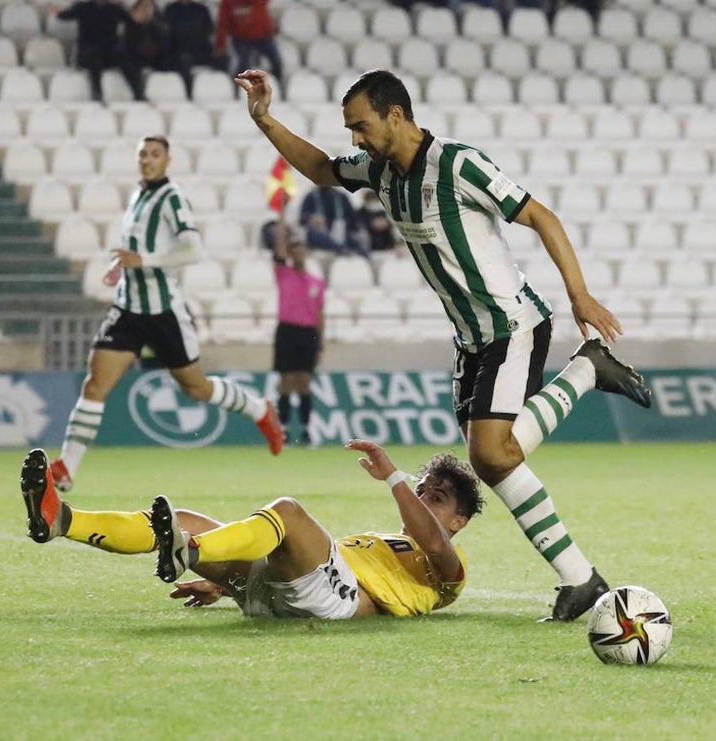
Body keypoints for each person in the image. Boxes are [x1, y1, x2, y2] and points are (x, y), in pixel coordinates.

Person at [234, 67, 653, 622]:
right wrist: (265, 119)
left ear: (396, 115)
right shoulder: (378, 171)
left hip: (513, 324)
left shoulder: (458, 164)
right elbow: (320, 168)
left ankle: (580, 576)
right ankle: (587, 375)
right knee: (496, 458)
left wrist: (579, 296)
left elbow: (541, 217)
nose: (354, 139)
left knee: (490, 455)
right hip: (470, 339)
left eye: (361, 126)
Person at [49, 135, 285, 493]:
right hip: (129, 308)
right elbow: (139, 248)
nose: (147, 160)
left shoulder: (171, 197)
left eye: (155, 154)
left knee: (196, 387)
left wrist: (144, 261)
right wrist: (121, 266)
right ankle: (66, 467)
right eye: (142, 154)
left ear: (168, 160)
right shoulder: (137, 197)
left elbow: (193, 248)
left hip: (164, 312)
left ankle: (260, 411)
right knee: (95, 383)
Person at [19, 439, 484, 618]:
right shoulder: (389, 541)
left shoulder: (450, 568)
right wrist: (225, 587)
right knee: (183, 520)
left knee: (289, 512)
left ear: (459, 522)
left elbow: (429, 537)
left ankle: (190, 548)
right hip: (279, 592)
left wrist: (395, 478)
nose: (421, 498)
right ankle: (62, 520)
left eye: (435, 497)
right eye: (421, 489)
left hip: (335, 602)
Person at [270, 219, 325, 447]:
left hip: (308, 332)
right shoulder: (284, 273)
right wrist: (281, 217)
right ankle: (281, 429)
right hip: (287, 330)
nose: (298, 252)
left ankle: (304, 430)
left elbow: (320, 312)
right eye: (294, 249)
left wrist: (321, 340)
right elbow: (278, 247)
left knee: (303, 381)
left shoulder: (316, 282)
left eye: (301, 248)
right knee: (286, 381)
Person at [47, 0, 129, 102]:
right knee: (95, 55)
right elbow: (65, 15)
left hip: (109, 55)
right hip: (88, 55)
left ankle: (138, 93)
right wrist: (57, 11)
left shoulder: (115, 9)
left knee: (127, 57)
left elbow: (131, 20)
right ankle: (97, 93)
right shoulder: (83, 7)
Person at [215, 0, 282, 80]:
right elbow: (222, 23)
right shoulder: (227, 3)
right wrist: (221, 44)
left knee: (276, 61)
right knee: (243, 65)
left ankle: (276, 83)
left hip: (264, 36)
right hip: (241, 38)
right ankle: (239, 87)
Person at [163, 0, 217, 99]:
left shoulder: (201, 9)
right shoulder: (170, 9)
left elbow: (208, 30)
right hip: (177, 52)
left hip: (200, 50)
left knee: (222, 59)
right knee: (183, 60)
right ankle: (188, 94)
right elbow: (167, 34)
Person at [298, 184, 369, 257]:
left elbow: (353, 218)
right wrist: (312, 219)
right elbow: (302, 218)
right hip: (322, 234)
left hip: (342, 232)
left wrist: (361, 229)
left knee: (359, 239)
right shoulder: (311, 197)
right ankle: (340, 248)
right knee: (313, 233)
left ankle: (366, 261)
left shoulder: (341, 197)